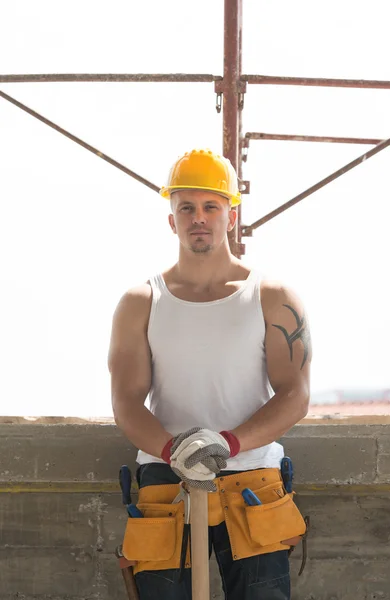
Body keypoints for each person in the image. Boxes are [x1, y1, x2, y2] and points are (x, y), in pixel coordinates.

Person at [108, 148, 312, 600]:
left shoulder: (272, 297)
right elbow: (126, 399)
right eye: (186, 207)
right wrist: (173, 450)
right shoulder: (141, 302)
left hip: (251, 483)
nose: (198, 218)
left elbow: (295, 393)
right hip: (166, 482)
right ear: (171, 219)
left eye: (210, 206)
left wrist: (229, 443)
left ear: (231, 215)